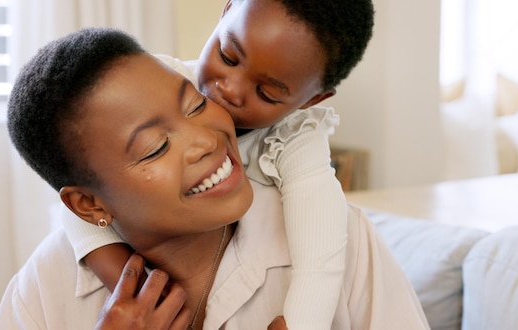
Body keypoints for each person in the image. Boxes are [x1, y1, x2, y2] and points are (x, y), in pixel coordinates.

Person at [0, 28, 430, 329]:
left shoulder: (343, 240)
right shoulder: (41, 295)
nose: (205, 141)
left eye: (195, 105)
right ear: (89, 206)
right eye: (155, 147)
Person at [61, 0, 375, 328]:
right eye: (227, 56)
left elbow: (321, 251)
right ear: (226, 11)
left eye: (267, 93)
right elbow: (79, 172)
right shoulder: (159, 82)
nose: (230, 89)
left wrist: (302, 323)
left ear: (311, 101)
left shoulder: (297, 137)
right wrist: (123, 275)